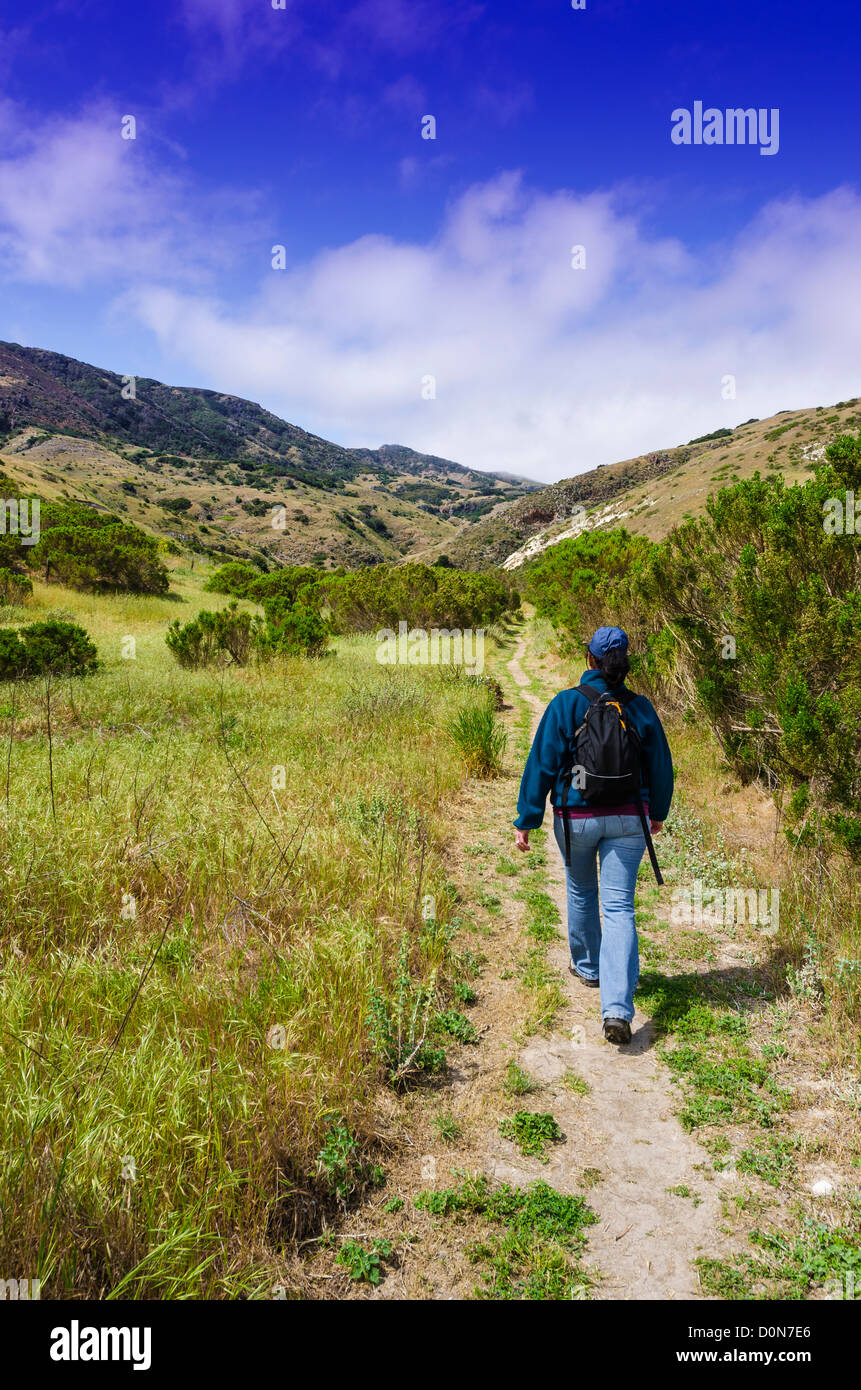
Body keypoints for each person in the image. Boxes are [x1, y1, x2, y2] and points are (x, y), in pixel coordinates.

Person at [513, 625, 673, 1045]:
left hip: (575, 818)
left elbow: (542, 763)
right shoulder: (639, 707)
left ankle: (589, 969)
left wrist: (527, 818)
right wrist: (655, 812)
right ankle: (617, 1008)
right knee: (620, 907)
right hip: (628, 820)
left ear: (589, 659)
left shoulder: (567, 704)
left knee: (582, 892)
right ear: (624, 662)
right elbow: (660, 766)